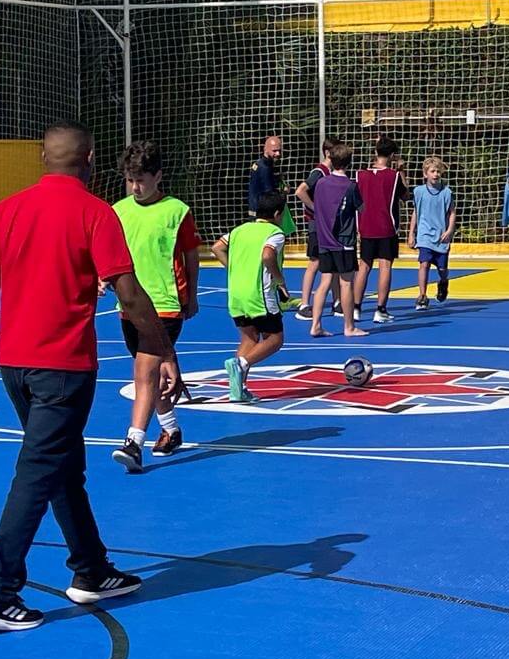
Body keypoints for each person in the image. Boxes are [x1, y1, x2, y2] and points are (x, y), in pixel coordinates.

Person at [0, 121, 181, 632]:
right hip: (64, 367)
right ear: (91, 159)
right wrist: (163, 351)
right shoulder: (95, 213)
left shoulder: (7, 211)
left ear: (42, 156)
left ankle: (91, 569)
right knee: (36, 474)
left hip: (14, 365)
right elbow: (130, 293)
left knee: (61, 466)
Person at [108, 141, 201, 472]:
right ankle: (172, 429)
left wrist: (192, 295)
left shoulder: (177, 211)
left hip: (164, 304)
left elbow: (190, 255)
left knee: (143, 373)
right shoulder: (118, 211)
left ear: (158, 176)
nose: (136, 187)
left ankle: (133, 442)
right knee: (151, 374)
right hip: (129, 304)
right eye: (130, 180)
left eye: (142, 180)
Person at [211, 191, 291, 403]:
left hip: (237, 293)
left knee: (249, 338)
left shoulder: (239, 230)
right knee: (275, 339)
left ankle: (238, 389)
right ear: (276, 213)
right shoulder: (275, 233)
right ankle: (241, 364)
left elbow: (217, 247)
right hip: (260, 294)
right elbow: (267, 255)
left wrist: (233, 269)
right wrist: (279, 279)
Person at [308, 142, 368, 338]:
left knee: (324, 281)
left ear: (331, 161)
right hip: (343, 241)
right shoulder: (350, 186)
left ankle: (315, 324)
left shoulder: (321, 183)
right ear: (349, 163)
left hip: (324, 239)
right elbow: (362, 209)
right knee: (346, 283)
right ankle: (349, 326)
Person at [353, 135, 409, 324]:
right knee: (385, 266)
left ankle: (356, 308)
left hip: (366, 227)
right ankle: (380, 309)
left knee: (364, 266)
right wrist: (401, 171)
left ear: (375, 152)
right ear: (393, 155)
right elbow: (405, 195)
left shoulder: (360, 175)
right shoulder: (393, 177)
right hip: (387, 227)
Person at [294, 135, 341, 322]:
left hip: (327, 225)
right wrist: (316, 209)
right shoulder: (319, 172)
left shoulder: (330, 173)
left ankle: (338, 301)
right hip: (316, 224)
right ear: (328, 153)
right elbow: (300, 191)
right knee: (314, 262)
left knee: (336, 263)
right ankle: (304, 303)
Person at [407, 157, 456, 310]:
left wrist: (449, 230)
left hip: (441, 236)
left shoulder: (446, 192)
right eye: (432, 171)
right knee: (424, 264)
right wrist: (411, 233)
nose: (436, 174)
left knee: (442, 268)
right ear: (425, 174)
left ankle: (443, 282)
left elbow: (452, 213)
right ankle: (422, 295)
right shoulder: (419, 191)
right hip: (424, 235)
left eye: (438, 171)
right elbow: (416, 212)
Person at [246, 135, 283, 217]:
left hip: (256, 211)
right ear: (266, 150)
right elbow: (269, 195)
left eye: (279, 151)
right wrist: (282, 193)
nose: (278, 154)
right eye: (274, 151)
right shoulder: (264, 168)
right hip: (260, 214)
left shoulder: (261, 164)